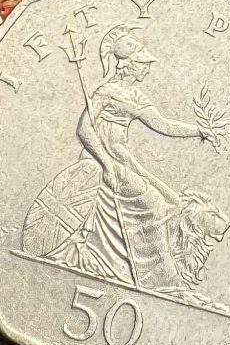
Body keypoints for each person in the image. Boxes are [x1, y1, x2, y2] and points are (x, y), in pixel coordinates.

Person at [49, 23, 217, 292]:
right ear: (129, 65)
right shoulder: (105, 92)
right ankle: (155, 279)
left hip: (124, 160)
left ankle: (152, 270)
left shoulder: (136, 95)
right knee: (155, 204)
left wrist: (197, 131)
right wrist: (106, 164)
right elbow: (84, 129)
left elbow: (162, 124)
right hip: (100, 160)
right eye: (143, 64)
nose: (147, 69)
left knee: (173, 202)